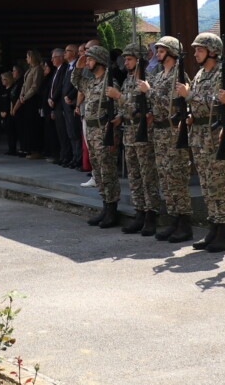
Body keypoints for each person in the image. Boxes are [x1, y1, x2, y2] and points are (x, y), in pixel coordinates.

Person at [179, 33, 225, 252]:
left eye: (199, 50)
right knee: (206, 184)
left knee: (218, 184)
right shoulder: (201, 74)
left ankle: (223, 231)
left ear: (212, 51)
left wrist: (189, 95)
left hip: (213, 136)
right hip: (199, 135)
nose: (195, 54)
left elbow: (216, 103)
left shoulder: (222, 75)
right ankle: (213, 227)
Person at [138, 36, 192, 240]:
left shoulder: (178, 76)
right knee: (165, 178)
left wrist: (149, 92)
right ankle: (174, 220)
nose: (158, 54)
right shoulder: (161, 76)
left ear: (171, 53)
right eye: (158, 51)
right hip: (159, 132)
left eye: (161, 51)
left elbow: (169, 104)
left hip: (172, 131)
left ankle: (185, 223)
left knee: (176, 176)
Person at [109, 44, 161, 235]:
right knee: (134, 176)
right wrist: (119, 116)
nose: (126, 62)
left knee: (148, 176)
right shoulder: (129, 79)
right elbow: (126, 108)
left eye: (130, 59)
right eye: (126, 59)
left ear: (138, 59)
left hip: (143, 133)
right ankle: (139, 212)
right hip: (129, 133)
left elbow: (144, 107)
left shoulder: (148, 79)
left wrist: (120, 97)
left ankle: (151, 215)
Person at [78, 45, 121, 228]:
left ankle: (112, 210)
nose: (87, 61)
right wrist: (78, 67)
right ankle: (105, 206)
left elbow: (118, 111)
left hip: (105, 131)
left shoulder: (109, 82)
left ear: (99, 60)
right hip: (92, 131)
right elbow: (76, 83)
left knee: (108, 172)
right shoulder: (91, 81)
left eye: (90, 59)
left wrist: (113, 135)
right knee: (98, 171)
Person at [16, 50, 45, 159]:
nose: (26, 59)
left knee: (33, 124)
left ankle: (35, 150)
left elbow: (35, 86)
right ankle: (28, 148)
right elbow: (25, 85)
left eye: (27, 57)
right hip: (26, 99)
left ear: (32, 58)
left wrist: (26, 96)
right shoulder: (30, 69)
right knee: (27, 125)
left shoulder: (38, 69)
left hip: (32, 99)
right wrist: (21, 96)